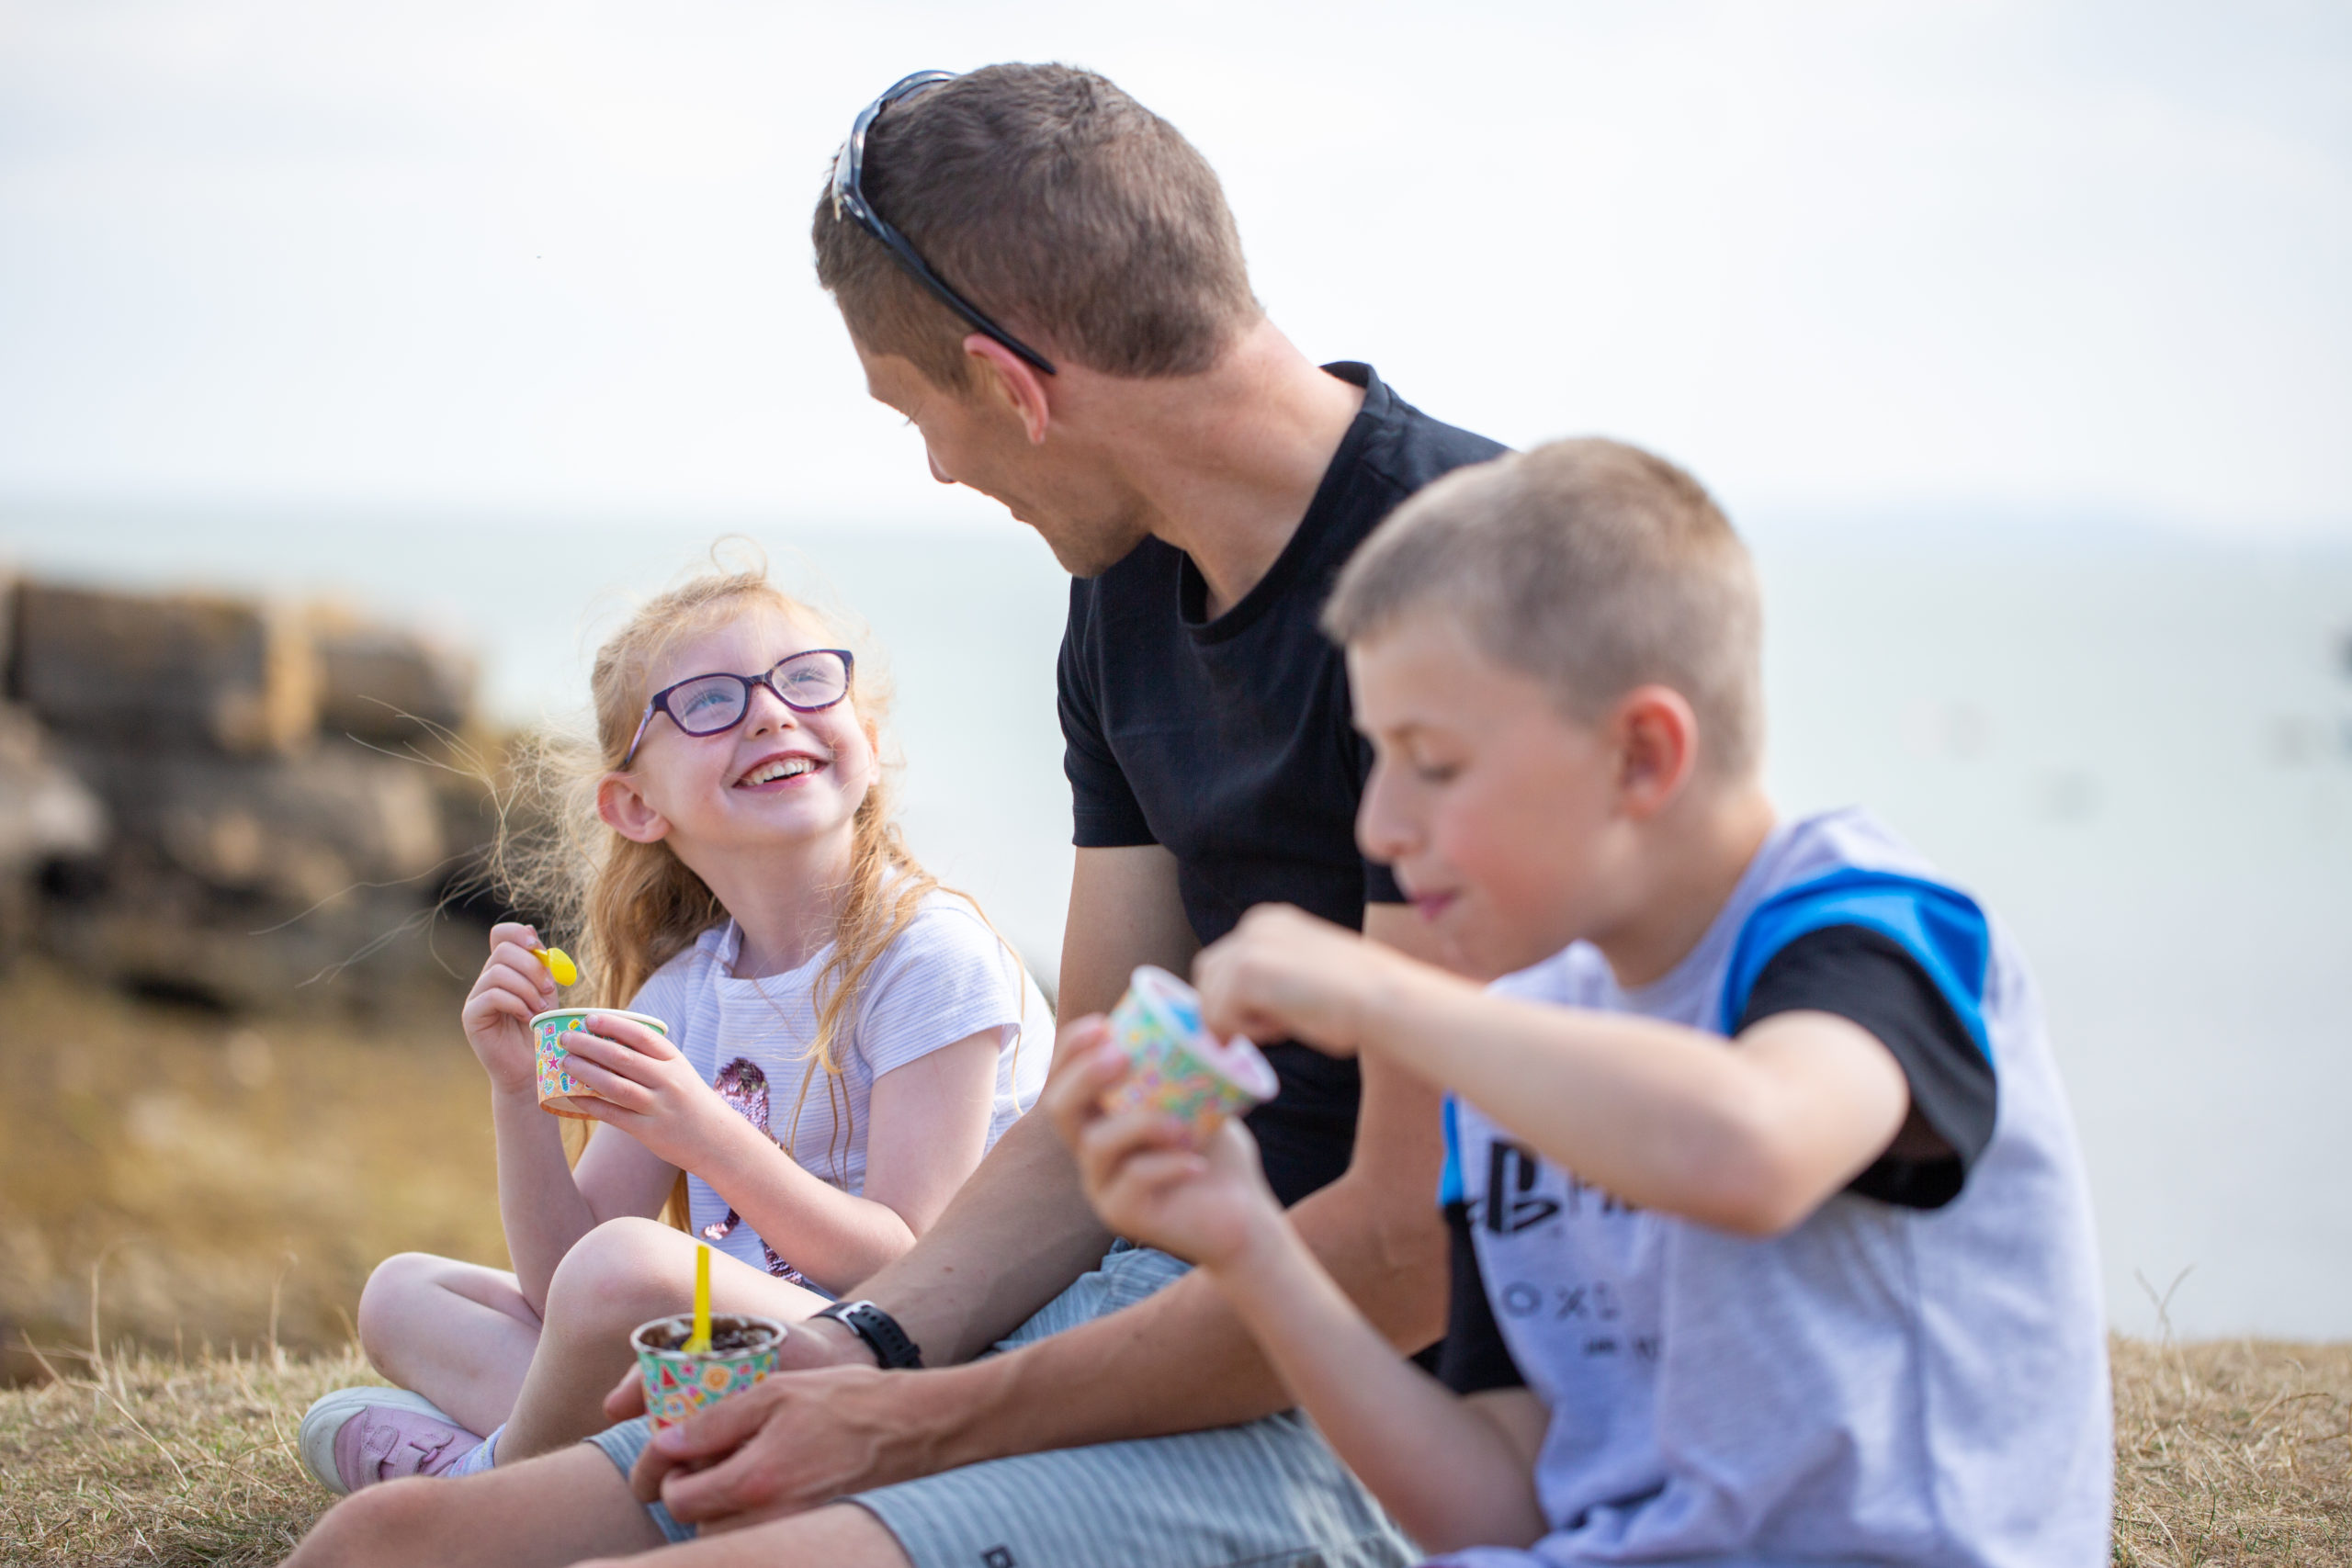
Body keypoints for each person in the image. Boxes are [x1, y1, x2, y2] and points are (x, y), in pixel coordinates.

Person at [282, 61, 1506, 1568]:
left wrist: (929, 1419)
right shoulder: (1125, 592)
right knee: (385, 1543)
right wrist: (860, 1353)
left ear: (1010, 383)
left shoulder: (1480, 588)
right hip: (1118, 1309)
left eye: (920, 414)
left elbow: (1404, 1256)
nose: (941, 467)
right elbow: (1099, 1104)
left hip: (1368, 1401)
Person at [1057, 437, 2115, 1566]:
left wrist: (1383, 996)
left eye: (1434, 762)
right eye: (1377, 759)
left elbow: (1751, 1148)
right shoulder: (1519, 1043)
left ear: (1643, 756)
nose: (1378, 828)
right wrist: (1252, 1247)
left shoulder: (1860, 930)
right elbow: (1500, 1507)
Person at [296, 562, 1048, 1495]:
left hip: (902, 1365)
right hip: (728, 1362)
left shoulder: (930, 958)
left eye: (807, 678)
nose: (771, 713)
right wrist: (521, 1095)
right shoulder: (687, 992)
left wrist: (706, 1135)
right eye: (708, 702)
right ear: (635, 805)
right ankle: (602, 1459)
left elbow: (911, 1270)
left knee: (634, 1269)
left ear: (869, 735)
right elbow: (564, 1283)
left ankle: (492, 1488)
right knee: (406, 1294)